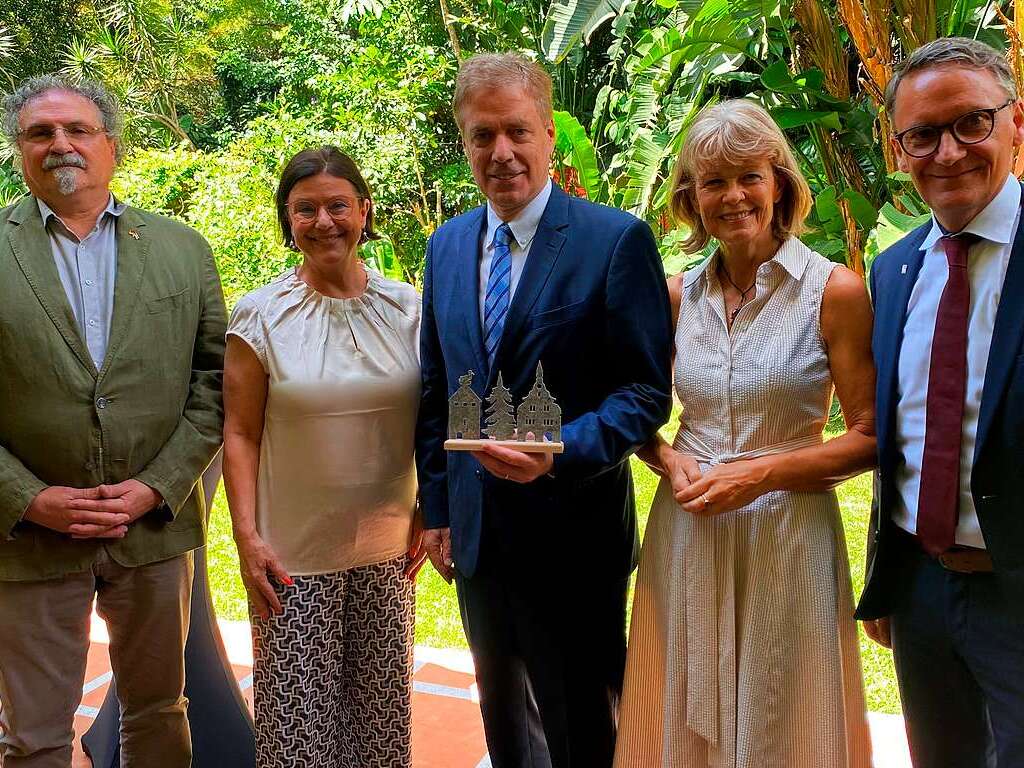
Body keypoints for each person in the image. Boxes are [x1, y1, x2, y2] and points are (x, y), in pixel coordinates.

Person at [415, 52, 673, 768]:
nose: (501, 153)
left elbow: (646, 394)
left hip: (575, 538)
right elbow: (437, 387)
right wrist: (437, 508)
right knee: (507, 728)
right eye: (482, 136)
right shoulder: (446, 245)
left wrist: (564, 447)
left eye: (517, 132)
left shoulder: (613, 240)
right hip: (477, 538)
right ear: (463, 141)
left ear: (549, 136)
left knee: (584, 730)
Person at [613, 99, 876, 768]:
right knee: (682, 711)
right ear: (690, 199)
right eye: (713, 181)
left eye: (749, 176)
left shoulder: (834, 291)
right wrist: (670, 462)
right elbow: (637, 413)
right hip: (689, 529)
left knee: (785, 713)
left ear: (779, 183)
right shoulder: (677, 296)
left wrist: (757, 474)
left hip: (788, 536)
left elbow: (872, 437)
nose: (733, 196)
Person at [0, 75, 226, 766]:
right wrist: (27, 499)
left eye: (77, 130)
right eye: (40, 133)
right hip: (29, 538)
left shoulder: (182, 249)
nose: (60, 145)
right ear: (18, 152)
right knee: (33, 735)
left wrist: (158, 485)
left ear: (113, 148)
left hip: (152, 531)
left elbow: (214, 383)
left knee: (159, 713)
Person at [222, 146, 425, 768]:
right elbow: (240, 431)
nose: (323, 221)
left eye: (338, 205)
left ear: (364, 211)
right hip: (292, 555)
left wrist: (431, 508)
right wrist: (247, 535)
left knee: (380, 730)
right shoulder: (261, 315)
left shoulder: (410, 309)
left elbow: (431, 422)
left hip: (390, 550)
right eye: (304, 209)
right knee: (297, 739)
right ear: (289, 221)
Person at [855, 36, 1024, 767]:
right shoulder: (893, 271)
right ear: (898, 149)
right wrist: (888, 583)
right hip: (922, 592)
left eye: (971, 124)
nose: (948, 152)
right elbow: (899, 437)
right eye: (922, 134)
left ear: (1017, 123)